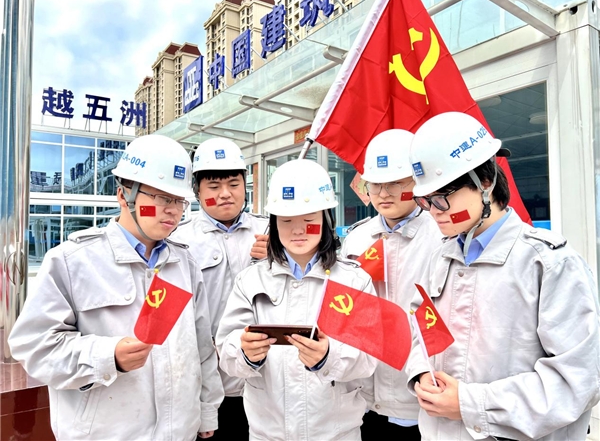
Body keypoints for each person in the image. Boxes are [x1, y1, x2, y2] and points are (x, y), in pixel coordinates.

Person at [8, 135, 224, 440]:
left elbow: (202, 348)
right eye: (162, 198)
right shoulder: (72, 261)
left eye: (179, 200)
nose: (173, 210)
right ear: (124, 196)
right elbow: (33, 346)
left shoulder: (184, 264)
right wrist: (106, 356)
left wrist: (206, 412)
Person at [405, 112, 600, 440]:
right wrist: (421, 372)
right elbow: (418, 331)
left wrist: (471, 403)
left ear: (485, 183)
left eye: (442, 198)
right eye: (425, 200)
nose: (434, 211)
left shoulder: (549, 264)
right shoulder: (439, 257)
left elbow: (577, 380)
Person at [215, 159, 378, 441]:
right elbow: (226, 350)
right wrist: (244, 351)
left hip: (336, 434)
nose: (298, 230)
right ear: (274, 224)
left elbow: (369, 356)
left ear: (326, 220)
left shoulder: (354, 280)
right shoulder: (250, 280)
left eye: (309, 220)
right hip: (268, 433)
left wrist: (329, 356)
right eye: (287, 221)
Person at [340, 129, 442, 440]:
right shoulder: (356, 238)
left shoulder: (441, 236)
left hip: (420, 398)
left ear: (417, 181)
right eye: (375, 184)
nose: (383, 193)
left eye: (396, 183)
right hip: (364, 399)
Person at [170, 137, 268, 440]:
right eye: (213, 186)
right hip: (210, 387)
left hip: (264, 383)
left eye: (234, 184)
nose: (225, 194)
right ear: (197, 191)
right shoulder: (178, 242)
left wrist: (279, 259)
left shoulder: (271, 232)